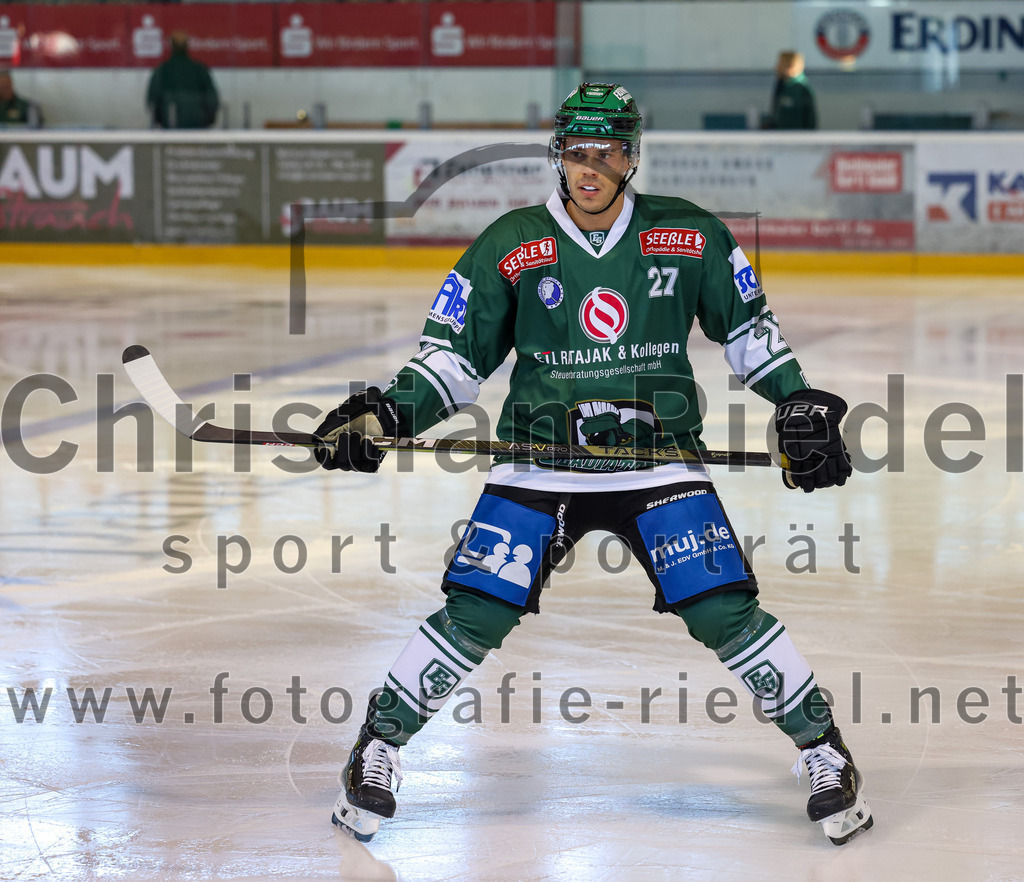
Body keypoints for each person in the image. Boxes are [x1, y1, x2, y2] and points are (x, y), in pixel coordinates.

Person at [314, 83, 871, 846]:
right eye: (578, 151)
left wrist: (795, 400)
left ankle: (824, 751)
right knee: (476, 611)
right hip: (540, 461)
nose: (590, 167)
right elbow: (454, 359)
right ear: (559, 154)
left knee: (721, 610)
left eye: (607, 152)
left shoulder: (689, 235)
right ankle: (377, 747)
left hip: (658, 462)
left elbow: (749, 332)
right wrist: (390, 414)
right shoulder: (512, 241)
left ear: (631, 156)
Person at [145, 31, 219, 129]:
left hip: (169, 123)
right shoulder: (199, 69)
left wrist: (159, 119)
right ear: (187, 46)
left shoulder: (163, 70)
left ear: (171, 46)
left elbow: (152, 100)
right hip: (198, 125)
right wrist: (208, 120)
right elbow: (212, 100)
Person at [769, 51, 817, 130]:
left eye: (780, 64)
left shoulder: (801, 89)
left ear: (790, 66)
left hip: (796, 138)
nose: (776, 67)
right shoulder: (782, 85)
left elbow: (809, 120)